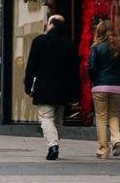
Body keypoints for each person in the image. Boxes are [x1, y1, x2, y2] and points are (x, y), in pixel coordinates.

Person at [24, 15, 79, 160]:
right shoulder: (69, 44)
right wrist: (75, 94)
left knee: (46, 117)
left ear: (52, 25)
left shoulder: (39, 41)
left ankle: (53, 145)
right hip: (63, 89)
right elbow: (74, 71)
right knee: (58, 120)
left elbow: (31, 66)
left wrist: (28, 86)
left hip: (44, 88)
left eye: (48, 23)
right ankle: (54, 143)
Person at [87, 20, 120, 160]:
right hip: (117, 86)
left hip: (100, 85)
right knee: (114, 115)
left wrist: (94, 79)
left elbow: (91, 68)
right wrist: (118, 76)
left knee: (101, 117)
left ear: (99, 32)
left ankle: (103, 149)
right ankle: (116, 139)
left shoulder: (96, 47)